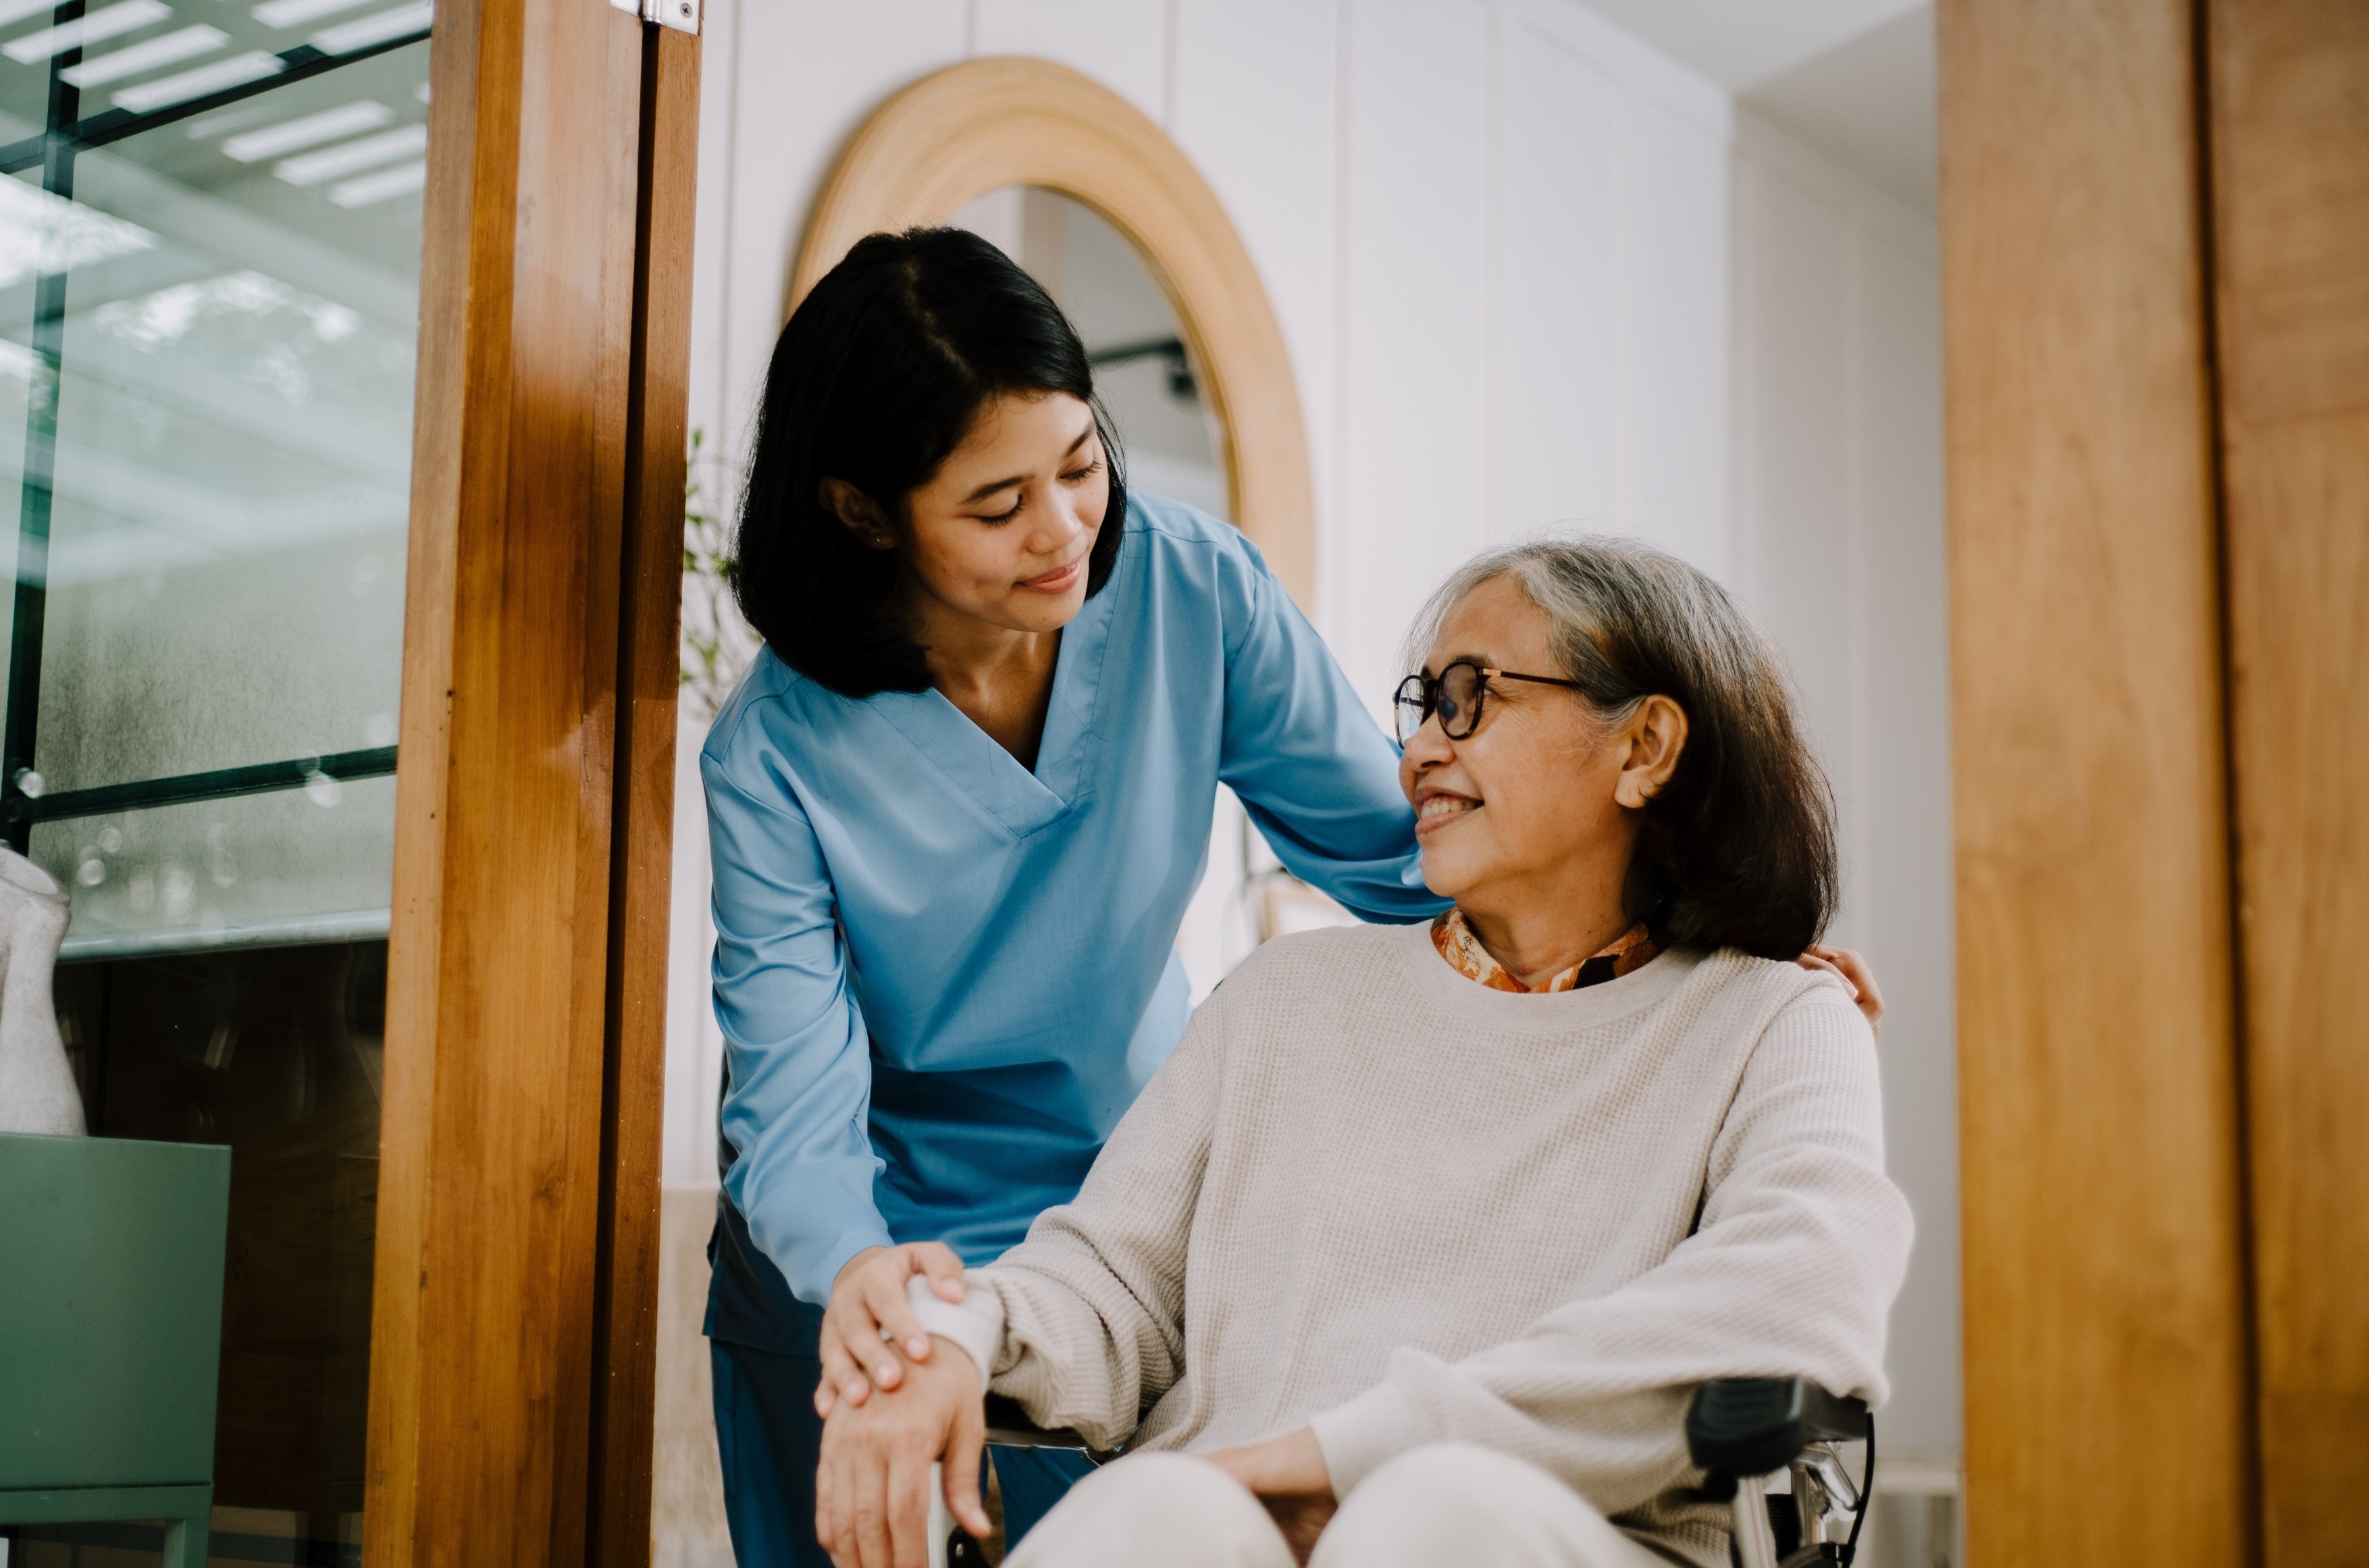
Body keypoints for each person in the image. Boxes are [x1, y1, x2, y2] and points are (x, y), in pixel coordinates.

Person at [810, 538, 1915, 1568]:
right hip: (1225, 1519)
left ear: (1644, 747)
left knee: (1432, 1512)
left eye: (1469, 698)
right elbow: (1111, 1292)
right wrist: (956, 1333)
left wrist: (1346, 1453)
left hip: (1555, 1534)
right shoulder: (1284, 998)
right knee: (1165, 1508)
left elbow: (1801, 1296)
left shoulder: (1776, 1020)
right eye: (1422, 707)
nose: (1420, 749)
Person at [700, 227, 1452, 1566]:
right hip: (868, 1253)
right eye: (996, 507)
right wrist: (862, 1284)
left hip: (1111, 1227)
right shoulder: (772, 756)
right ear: (863, 510)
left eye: (1079, 465)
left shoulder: (1190, 586)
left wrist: (1687, 943)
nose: (1062, 533)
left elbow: (1404, 855)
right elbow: (794, 1100)